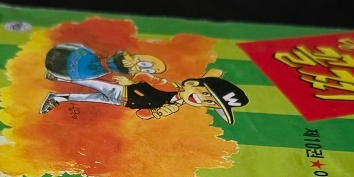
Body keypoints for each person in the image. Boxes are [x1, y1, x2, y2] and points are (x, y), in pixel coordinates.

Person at [39, 68, 249, 123]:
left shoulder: (174, 104)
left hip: (124, 102)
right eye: (205, 94)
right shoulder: (169, 86)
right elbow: (146, 76)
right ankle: (59, 76)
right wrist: (131, 82)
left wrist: (158, 113)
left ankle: (57, 98)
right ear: (192, 83)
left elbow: (142, 114)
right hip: (123, 91)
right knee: (91, 84)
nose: (202, 100)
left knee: (89, 98)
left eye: (209, 102)